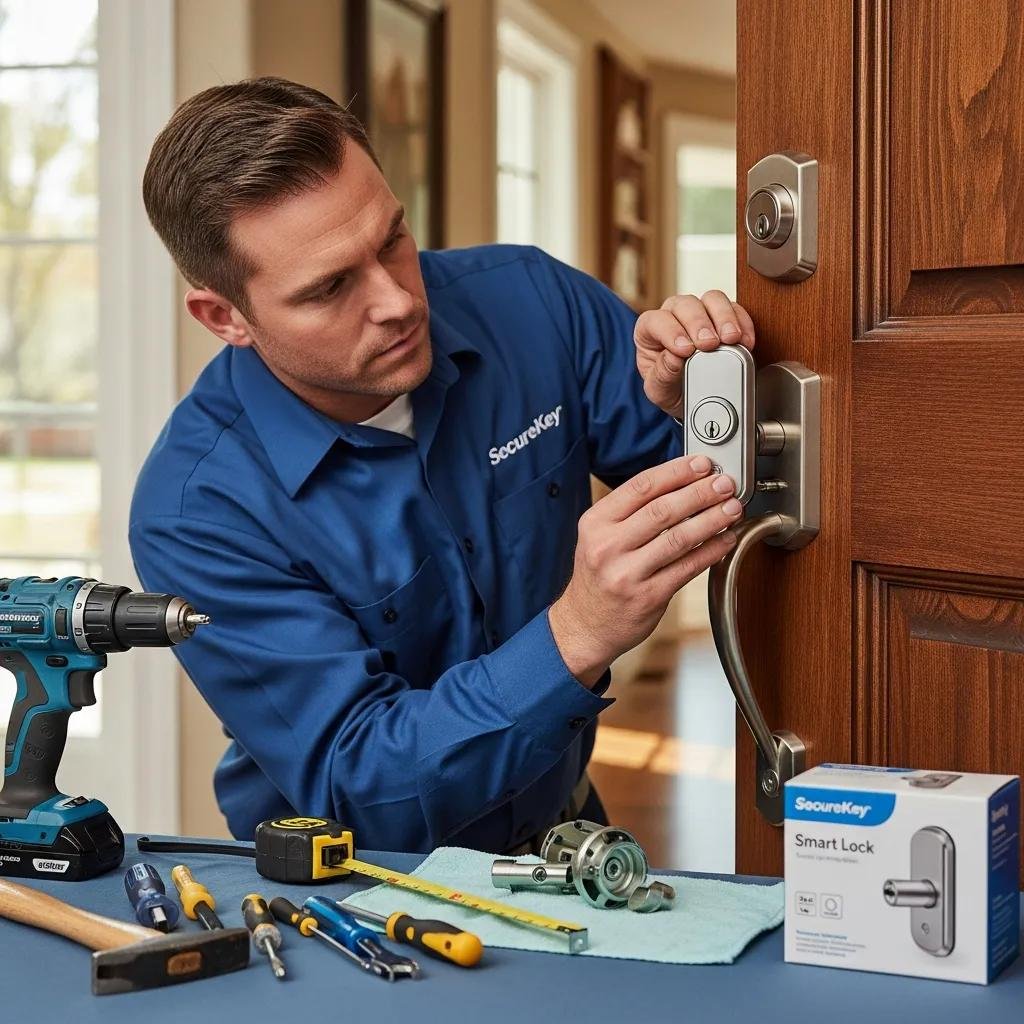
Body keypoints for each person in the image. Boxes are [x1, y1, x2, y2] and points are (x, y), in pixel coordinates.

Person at [130, 77, 756, 854]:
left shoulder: (534, 301)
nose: (396, 301)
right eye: (329, 287)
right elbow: (359, 782)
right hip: (352, 891)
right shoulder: (198, 511)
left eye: (392, 238)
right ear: (226, 317)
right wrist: (579, 630)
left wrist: (690, 407)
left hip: (566, 835)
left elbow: (747, 496)